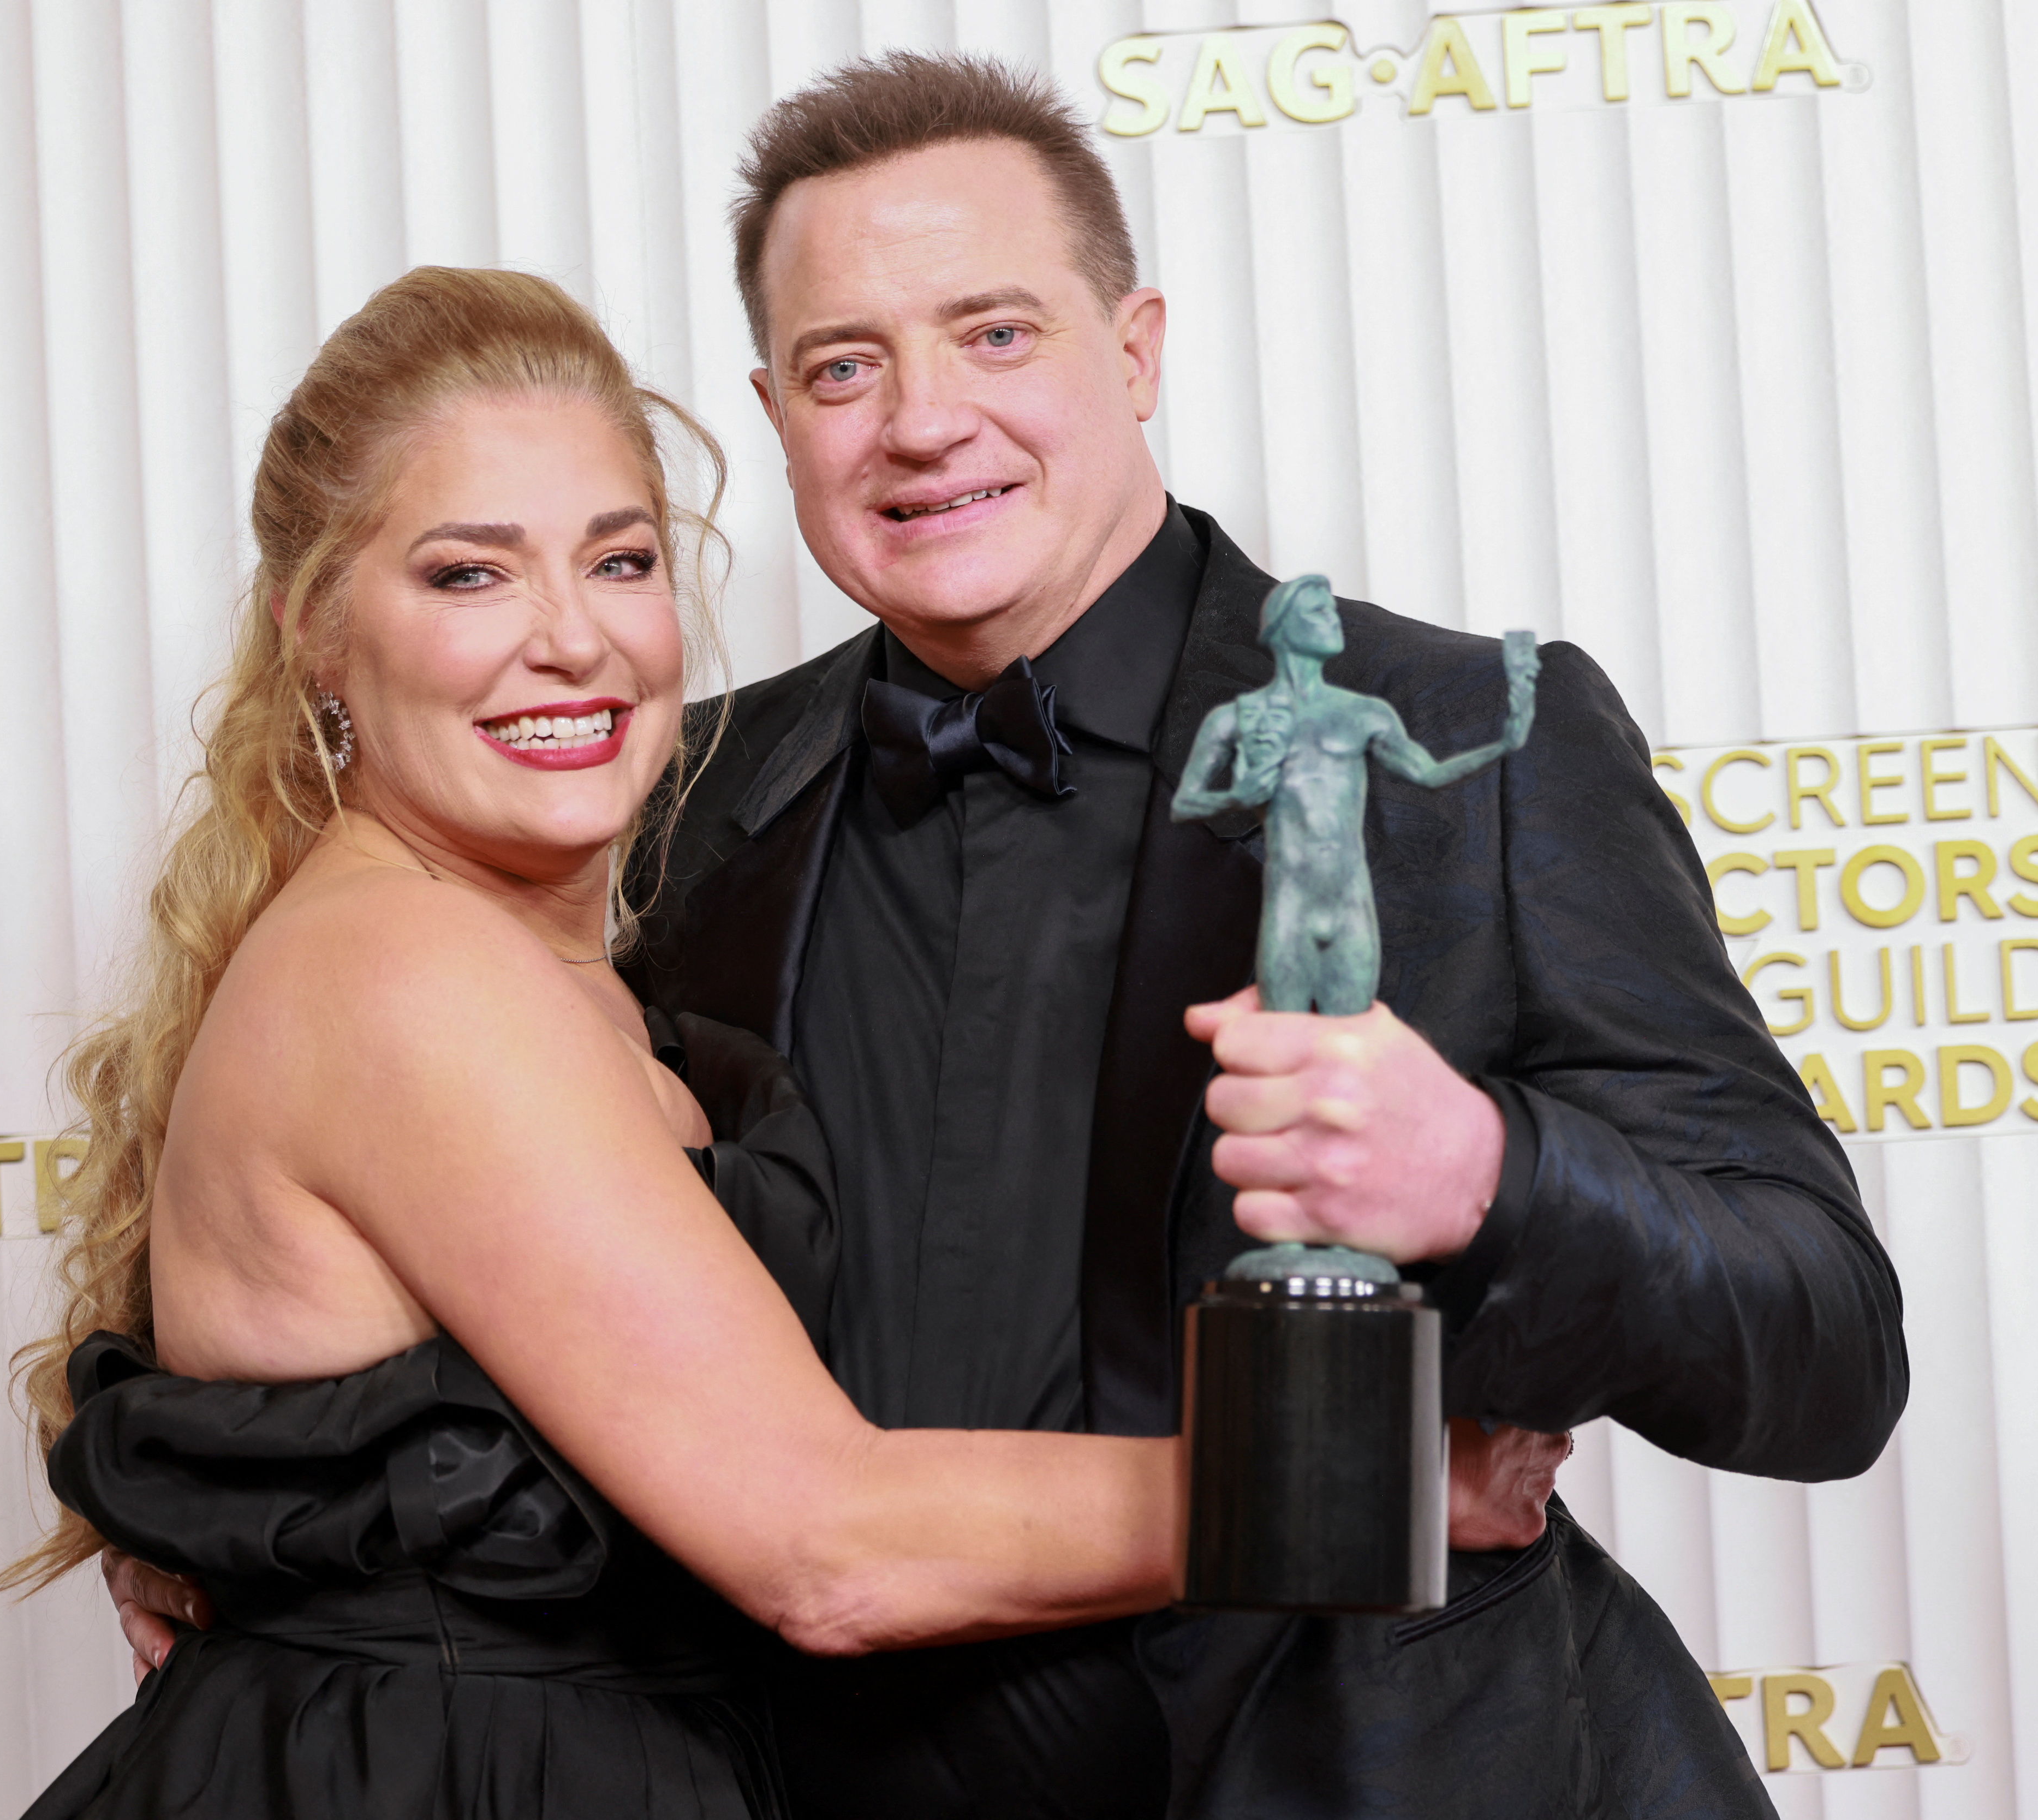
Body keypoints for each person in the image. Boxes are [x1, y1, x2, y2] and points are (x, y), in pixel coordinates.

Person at [115, 54, 1909, 1818]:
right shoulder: (670, 809)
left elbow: (1824, 1347)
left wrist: (1500, 1181)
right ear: (775, 410)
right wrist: (240, 1552)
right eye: (844, 366)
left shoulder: (1467, 750)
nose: (919, 420)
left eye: (994, 332)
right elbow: (442, 1234)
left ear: (1133, 350)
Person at [5, 265, 1178, 1820]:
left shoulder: (560, 953)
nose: (570, 639)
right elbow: (824, 1543)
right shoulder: (406, 972)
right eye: (468, 577)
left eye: (619, 561)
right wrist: (1361, 1479)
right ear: (316, 632)